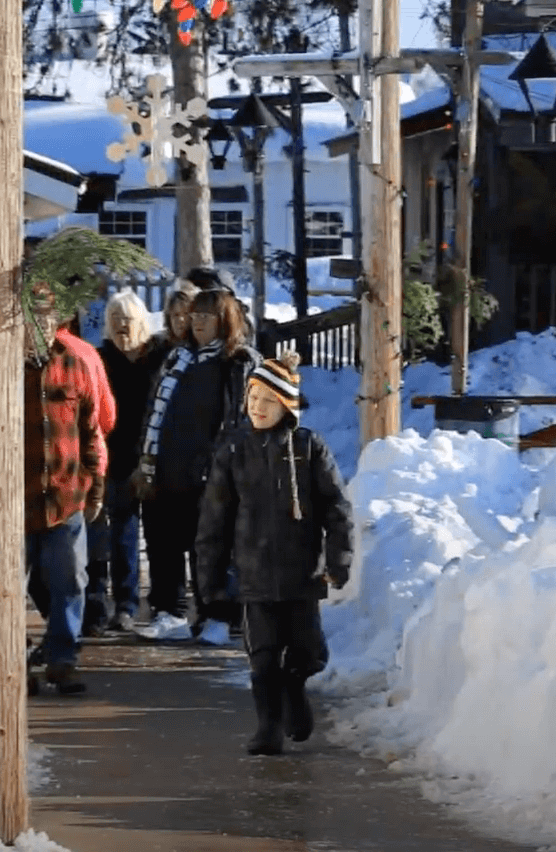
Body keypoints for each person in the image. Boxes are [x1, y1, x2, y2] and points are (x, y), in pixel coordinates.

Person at [197, 351, 354, 756]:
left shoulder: (308, 448)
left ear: (286, 405)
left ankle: (294, 686)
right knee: (262, 655)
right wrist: (209, 580)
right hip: (253, 577)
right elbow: (213, 520)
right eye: (252, 399)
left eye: (268, 401)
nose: (257, 408)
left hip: (302, 575)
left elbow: (337, 508)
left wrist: (339, 560)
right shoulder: (233, 451)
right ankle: (268, 725)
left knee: (309, 653)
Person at [133, 281, 261, 645]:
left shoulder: (238, 362)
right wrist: (146, 458)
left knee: (212, 547)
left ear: (226, 319)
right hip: (164, 468)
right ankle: (170, 612)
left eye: (207, 315)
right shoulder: (177, 357)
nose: (199, 322)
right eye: (195, 315)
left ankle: (218, 616)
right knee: (163, 544)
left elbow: (245, 420)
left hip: (212, 473)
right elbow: (154, 410)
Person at [20, 281, 115, 695]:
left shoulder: (75, 360)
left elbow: (92, 426)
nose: (37, 322)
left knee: (70, 580)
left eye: (44, 313)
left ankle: (62, 658)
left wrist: (96, 485)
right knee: (9, 588)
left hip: (66, 493)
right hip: (11, 498)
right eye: (30, 314)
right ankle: (13, 662)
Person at [90, 291, 164, 633]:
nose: (122, 325)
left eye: (128, 318)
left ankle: (155, 603)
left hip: (153, 458)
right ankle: (120, 603)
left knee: (159, 537)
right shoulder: (100, 359)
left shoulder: (158, 358)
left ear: (141, 322)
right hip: (113, 459)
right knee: (118, 536)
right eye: (115, 317)